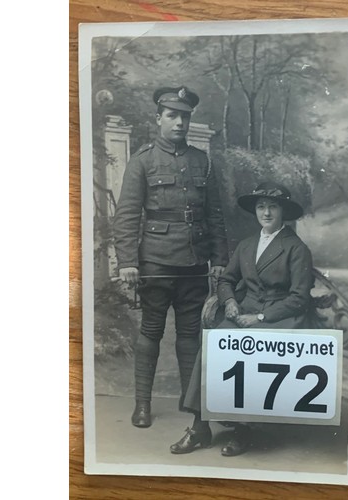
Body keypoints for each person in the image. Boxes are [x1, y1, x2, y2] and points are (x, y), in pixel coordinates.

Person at [170, 181, 315, 456]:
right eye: (262, 207)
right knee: (213, 345)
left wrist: (260, 316)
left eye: (273, 207)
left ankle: (243, 430)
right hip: (245, 312)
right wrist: (230, 301)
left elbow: (299, 299)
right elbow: (227, 279)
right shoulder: (247, 245)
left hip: (280, 317)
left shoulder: (296, 248)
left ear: (283, 211)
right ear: (255, 211)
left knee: (250, 351)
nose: (267, 213)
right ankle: (200, 427)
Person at [113, 86, 228, 428]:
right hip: (157, 262)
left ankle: (191, 405)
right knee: (151, 329)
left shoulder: (201, 161)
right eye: (172, 116)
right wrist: (128, 262)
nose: (180, 123)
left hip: (195, 262)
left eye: (185, 116)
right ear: (158, 118)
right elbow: (127, 215)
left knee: (190, 332)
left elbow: (215, 215)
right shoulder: (143, 161)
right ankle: (143, 404)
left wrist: (220, 258)